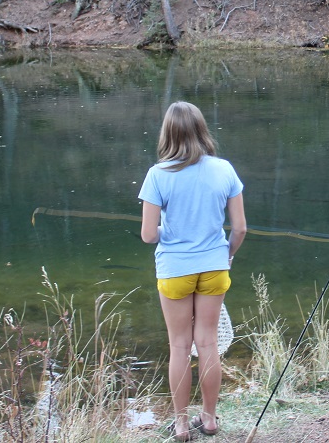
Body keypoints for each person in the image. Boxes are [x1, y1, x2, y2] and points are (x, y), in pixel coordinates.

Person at [140, 101, 248, 441]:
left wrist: (166, 232)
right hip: (215, 267)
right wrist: (226, 254)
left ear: (168, 133)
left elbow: (147, 235)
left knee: (179, 346)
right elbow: (240, 228)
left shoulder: (159, 174)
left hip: (175, 270)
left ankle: (182, 424)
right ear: (202, 130)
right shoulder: (224, 169)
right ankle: (211, 419)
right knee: (208, 344)